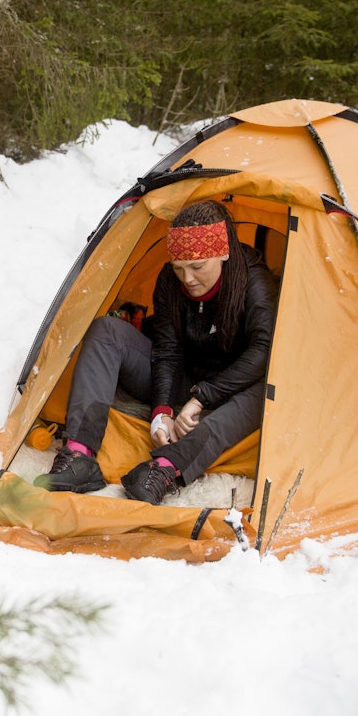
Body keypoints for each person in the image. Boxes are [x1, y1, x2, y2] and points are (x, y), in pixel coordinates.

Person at [33, 199, 277, 505]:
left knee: (268, 386)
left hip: (232, 393)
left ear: (222, 253)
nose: (187, 279)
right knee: (106, 330)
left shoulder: (254, 281)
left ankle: (164, 469)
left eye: (197, 267)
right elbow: (167, 349)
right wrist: (162, 410)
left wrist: (202, 398)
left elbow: (263, 350)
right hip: (183, 379)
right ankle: (79, 455)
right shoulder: (169, 281)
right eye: (179, 268)